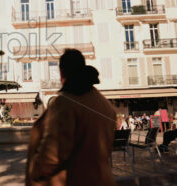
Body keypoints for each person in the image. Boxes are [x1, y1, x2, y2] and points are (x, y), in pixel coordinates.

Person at [26, 49, 116, 185]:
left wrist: (35, 172)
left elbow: (53, 154)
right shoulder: (103, 103)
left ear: (62, 72)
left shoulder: (66, 103)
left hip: (74, 180)